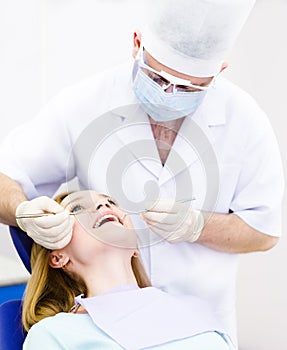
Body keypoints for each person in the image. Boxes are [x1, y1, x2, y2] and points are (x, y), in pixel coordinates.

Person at [0, 0, 284, 347]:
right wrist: (21, 211)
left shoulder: (245, 121)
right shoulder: (60, 336)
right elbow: (5, 175)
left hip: (198, 319)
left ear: (219, 71)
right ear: (137, 43)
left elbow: (265, 232)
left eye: (188, 88)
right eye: (158, 77)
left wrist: (197, 225)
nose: (169, 93)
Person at [22, 190, 234, 350]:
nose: (104, 205)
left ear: (135, 247)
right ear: (58, 258)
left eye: (111, 202)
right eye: (77, 208)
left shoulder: (194, 312)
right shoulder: (54, 335)